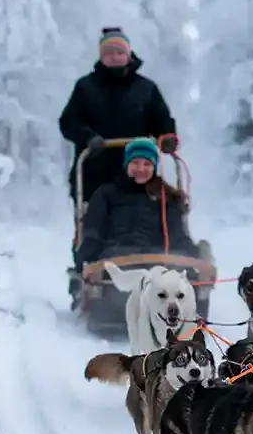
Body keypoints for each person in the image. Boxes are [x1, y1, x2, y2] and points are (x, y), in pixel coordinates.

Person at [58, 27, 179, 205]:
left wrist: (167, 137)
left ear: (128, 55)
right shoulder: (85, 87)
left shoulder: (146, 89)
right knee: (95, 221)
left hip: (138, 171)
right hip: (95, 170)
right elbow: (69, 122)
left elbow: (160, 118)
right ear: (101, 57)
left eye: (119, 52)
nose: (114, 57)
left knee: (141, 221)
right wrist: (88, 137)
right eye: (108, 53)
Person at [74, 137, 198, 275]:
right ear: (127, 164)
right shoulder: (107, 193)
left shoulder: (166, 197)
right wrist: (89, 250)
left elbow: (176, 233)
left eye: (147, 164)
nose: (140, 169)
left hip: (157, 260)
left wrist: (191, 256)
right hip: (115, 258)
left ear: (154, 168)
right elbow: (94, 226)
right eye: (135, 163)